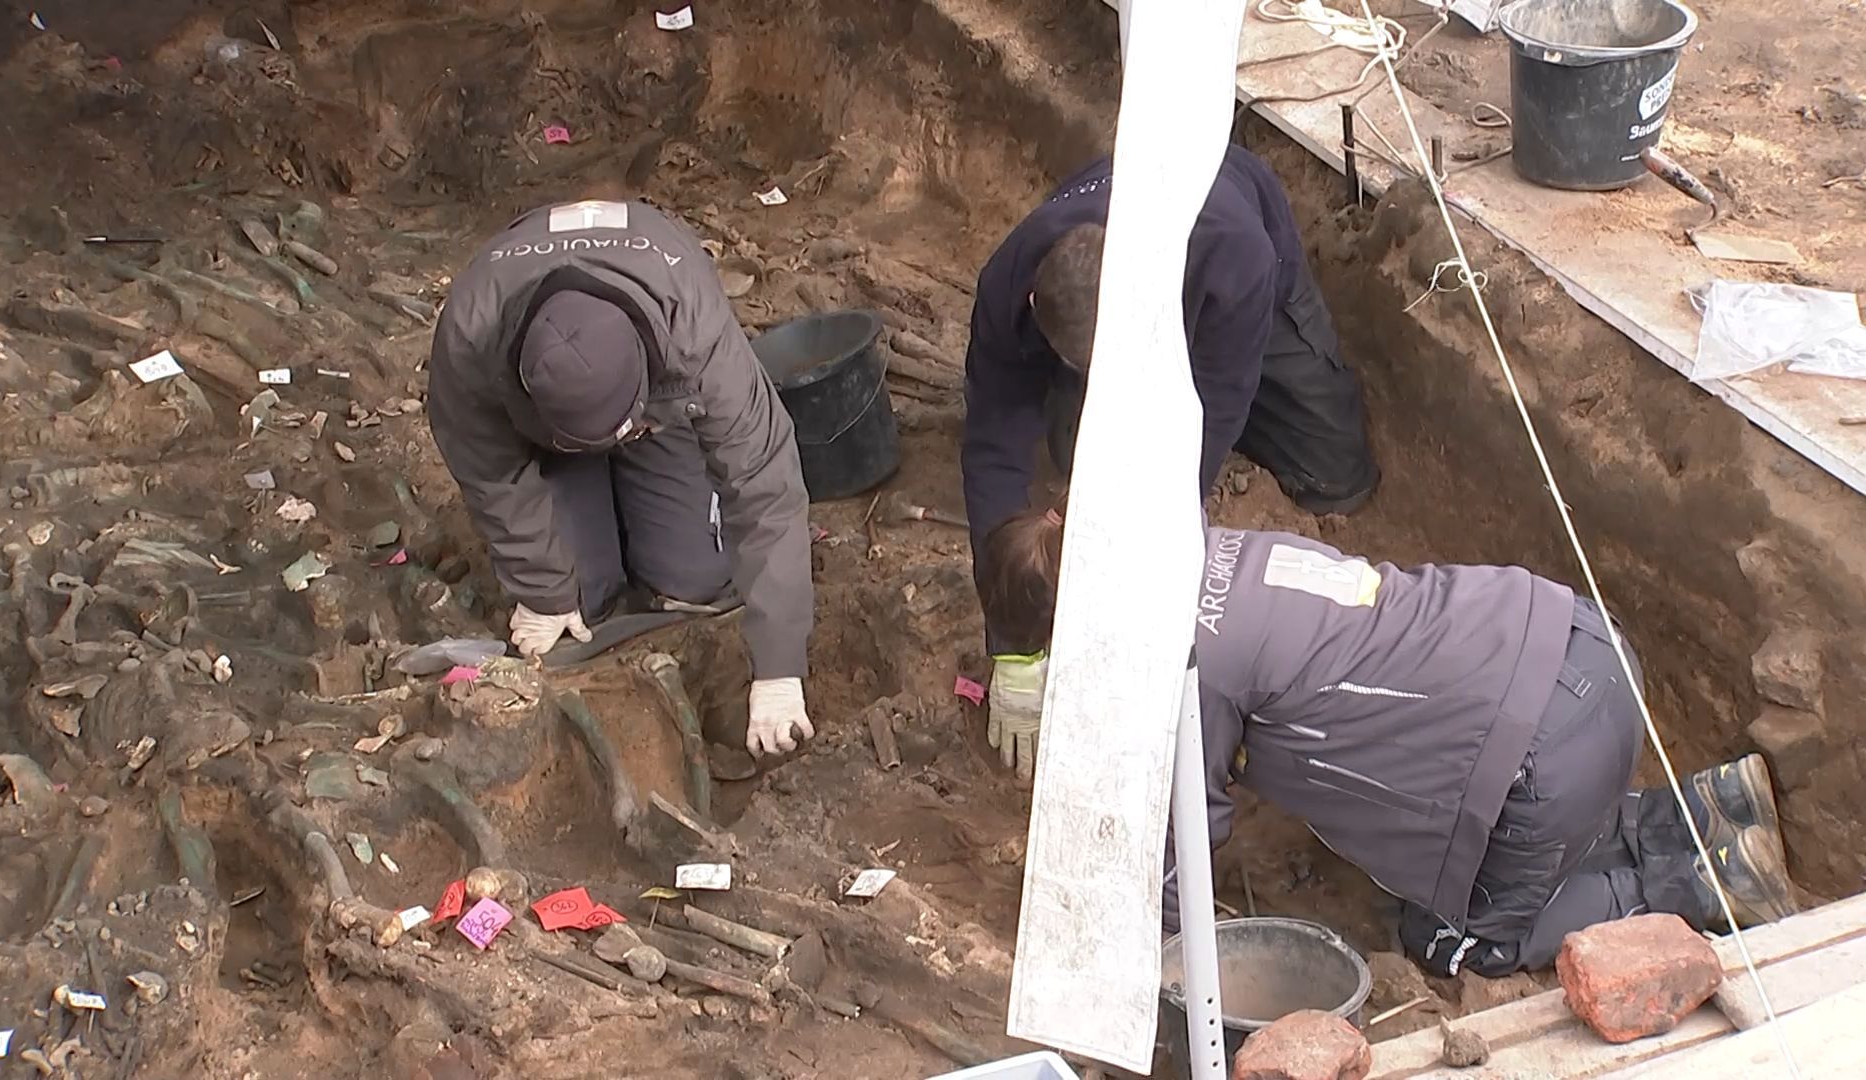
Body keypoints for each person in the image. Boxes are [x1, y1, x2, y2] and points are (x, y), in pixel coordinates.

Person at [975, 507, 1801, 977]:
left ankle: (1698, 882)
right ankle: (1706, 806)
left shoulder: (1195, 667)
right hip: (1581, 643)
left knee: (1445, 936)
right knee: (1524, 813)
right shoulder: (1205, 545)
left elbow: (1183, 837)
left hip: (1540, 759)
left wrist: (1135, 950)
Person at [963, 148, 1380, 780]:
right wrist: (1013, 636)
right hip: (1127, 297)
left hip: (1232, 270)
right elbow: (992, 437)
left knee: (1335, 475)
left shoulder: (1235, 252)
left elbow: (1213, 413)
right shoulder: (1008, 282)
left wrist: (1144, 539)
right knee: (1074, 451)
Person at [428, 198, 814, 757]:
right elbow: (490, 472)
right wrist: (542, 590)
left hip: (664, 410)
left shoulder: (692, 327)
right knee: (577, 608)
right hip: (552, 436)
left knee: (698, 579)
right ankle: (582, 479)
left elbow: (763, 482)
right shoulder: (470, 337)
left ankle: (634, 461)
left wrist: (779, 669)